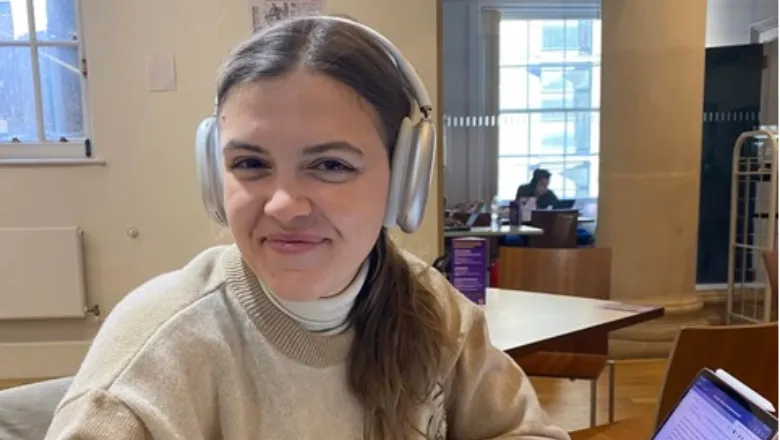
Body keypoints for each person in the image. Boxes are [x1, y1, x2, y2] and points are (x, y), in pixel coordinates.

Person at [44, 16, 570, 440]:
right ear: (214, 177)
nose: (284, 206)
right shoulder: (157, 357)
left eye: (331, 165)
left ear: (403, 181)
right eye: (250, 164)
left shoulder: (432, 307)